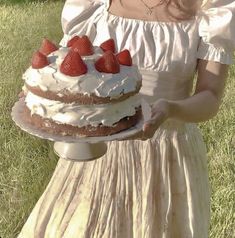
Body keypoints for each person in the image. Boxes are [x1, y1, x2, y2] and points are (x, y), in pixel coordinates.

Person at [18, 0, 235, 237]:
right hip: (98, 148)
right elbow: (62, 75)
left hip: (166, 153)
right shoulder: (93, 5)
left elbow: (210, 97)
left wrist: (170, 109)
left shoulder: (211, 11)